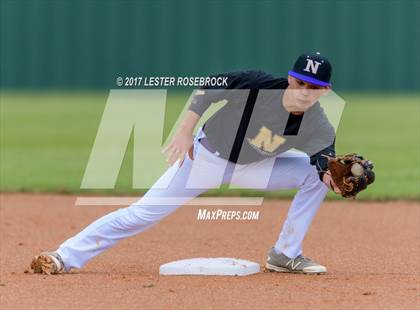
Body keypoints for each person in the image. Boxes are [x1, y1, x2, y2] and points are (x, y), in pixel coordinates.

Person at [31, 52, 342, 275]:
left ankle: (285, 255)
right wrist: (184, 131)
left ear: (325, 91)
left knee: (313, 175)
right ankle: (63, 257)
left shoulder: (319, 126)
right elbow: (207, 89)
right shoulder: (256, 85)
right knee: (140, 214)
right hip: (204, 159)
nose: (305, 92)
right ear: (290, 78)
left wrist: (334, 179)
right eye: (301, 82)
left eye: (314, 87)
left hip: (254, 169)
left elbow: (323, 162)